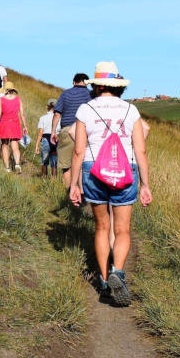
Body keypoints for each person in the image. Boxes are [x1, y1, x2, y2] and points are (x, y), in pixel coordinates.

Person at [69, 62, 152, 306]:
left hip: (92, 170)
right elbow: (141, 149)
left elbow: (77, 150)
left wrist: (74, 184)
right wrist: (145, 184)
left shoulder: (86, 109)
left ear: (97, 85)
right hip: (125, 170)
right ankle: (118, 271)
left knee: (102, 227)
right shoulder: (131, 110)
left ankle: (104, 282)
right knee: (123, 230)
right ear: (116, 85)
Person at [51, 73, 91, 188]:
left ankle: (70, 195)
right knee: (83, 165)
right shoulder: (91, 95)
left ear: (74, 82)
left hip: (67, 130)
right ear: (86, 82)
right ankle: (83, 194)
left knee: (66, 166)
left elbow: (57, 114)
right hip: (86, 131)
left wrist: (53, 131)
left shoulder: (65, 94)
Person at [0, 87, 27, 172]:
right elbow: (22, 114)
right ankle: (17, 164)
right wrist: (25, 126)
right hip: (15, 124)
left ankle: (7, 168)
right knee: (15, 146)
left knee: (5, 145)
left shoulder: (1, 100)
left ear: (6, 90)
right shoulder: (18, 99)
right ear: (13, 90)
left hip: (4, 124)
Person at [35, 98, 58, 176]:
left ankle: (44, 179)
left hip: (45, 139)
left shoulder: (43, 118)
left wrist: (37, 145)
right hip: (55, 140)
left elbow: (40, 132)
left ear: (47, 107)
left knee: (44, 162)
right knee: (54, 163)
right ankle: (54, 181)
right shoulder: (59, 118)